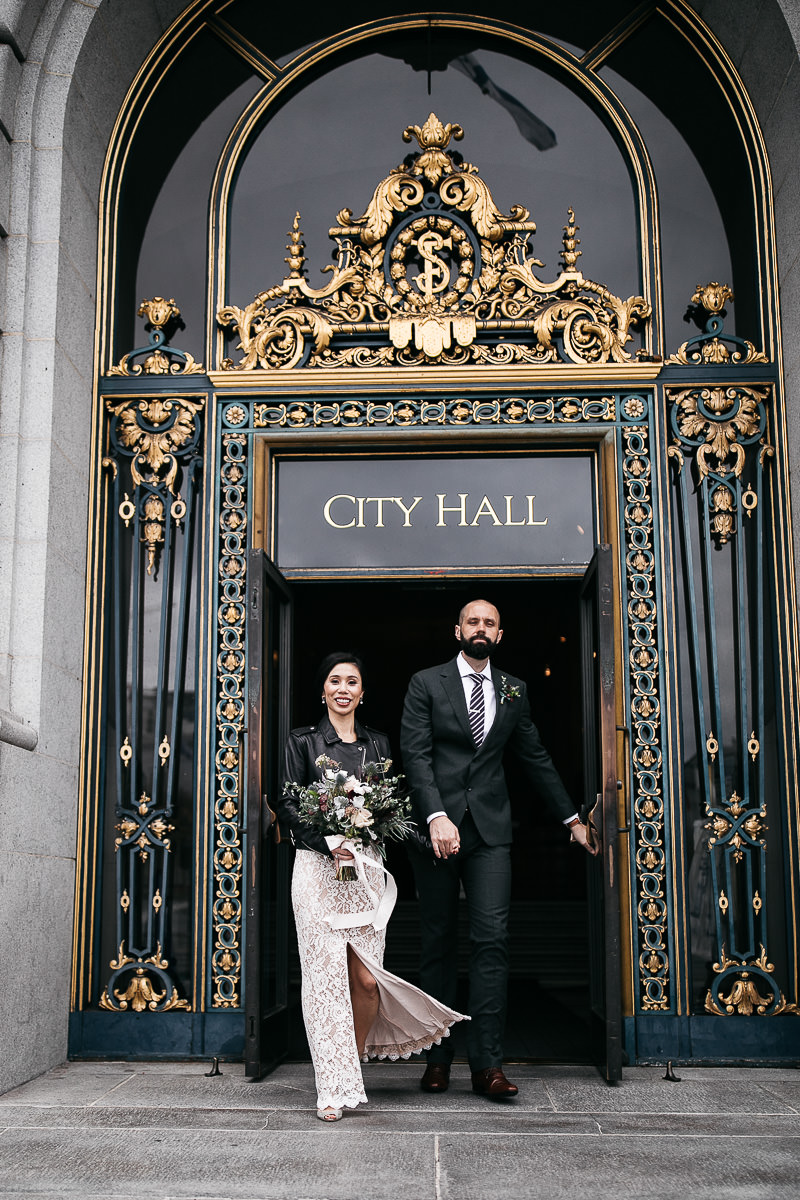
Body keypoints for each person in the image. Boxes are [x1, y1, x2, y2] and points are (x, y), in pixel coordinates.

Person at [400, 600, 597, 1099]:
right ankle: (437, 1057)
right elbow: (416, 756)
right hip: (437, 834)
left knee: (493, 941)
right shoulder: (426, 683)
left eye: (489, 623)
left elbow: (535, 756)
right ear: (458, 629)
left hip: (490, 835)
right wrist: (435, 815)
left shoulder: (514, 690)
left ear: (500, 634)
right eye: (473, 621)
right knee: (437, 946)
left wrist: (572, 819)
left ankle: (488, 1065)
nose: (480, 628)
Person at [278, 651, 467, 1122]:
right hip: (319, 871)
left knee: (365, 981)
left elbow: (391, 810)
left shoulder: (378, 744)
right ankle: (331, 1084)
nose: (343, 689)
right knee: (324, 981)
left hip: (363, 872)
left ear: (363, 693)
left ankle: (351, 1066)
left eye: (352, 682)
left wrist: (428, 843)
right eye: (335, 681)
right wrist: (327, 841)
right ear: (322, 691)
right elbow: (286, 804)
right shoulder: (301, 742)